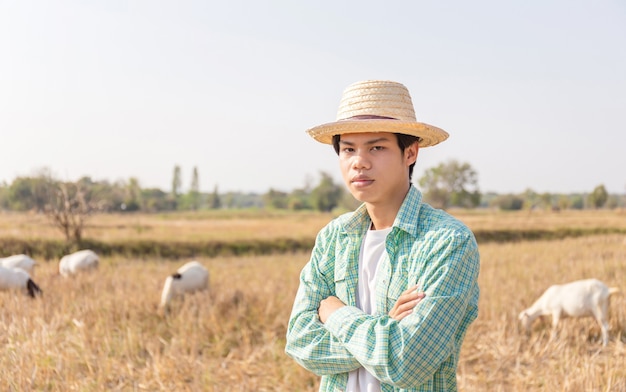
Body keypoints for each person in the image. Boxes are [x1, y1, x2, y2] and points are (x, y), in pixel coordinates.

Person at [285, 80, 480, 392]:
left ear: (410, 153)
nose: (359, 161)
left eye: (376, 147)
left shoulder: (447, 241)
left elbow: (407, 362)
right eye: (348, 149)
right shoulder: (334, 238)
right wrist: (386, 328)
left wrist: (337, 313)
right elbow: (300, 341)